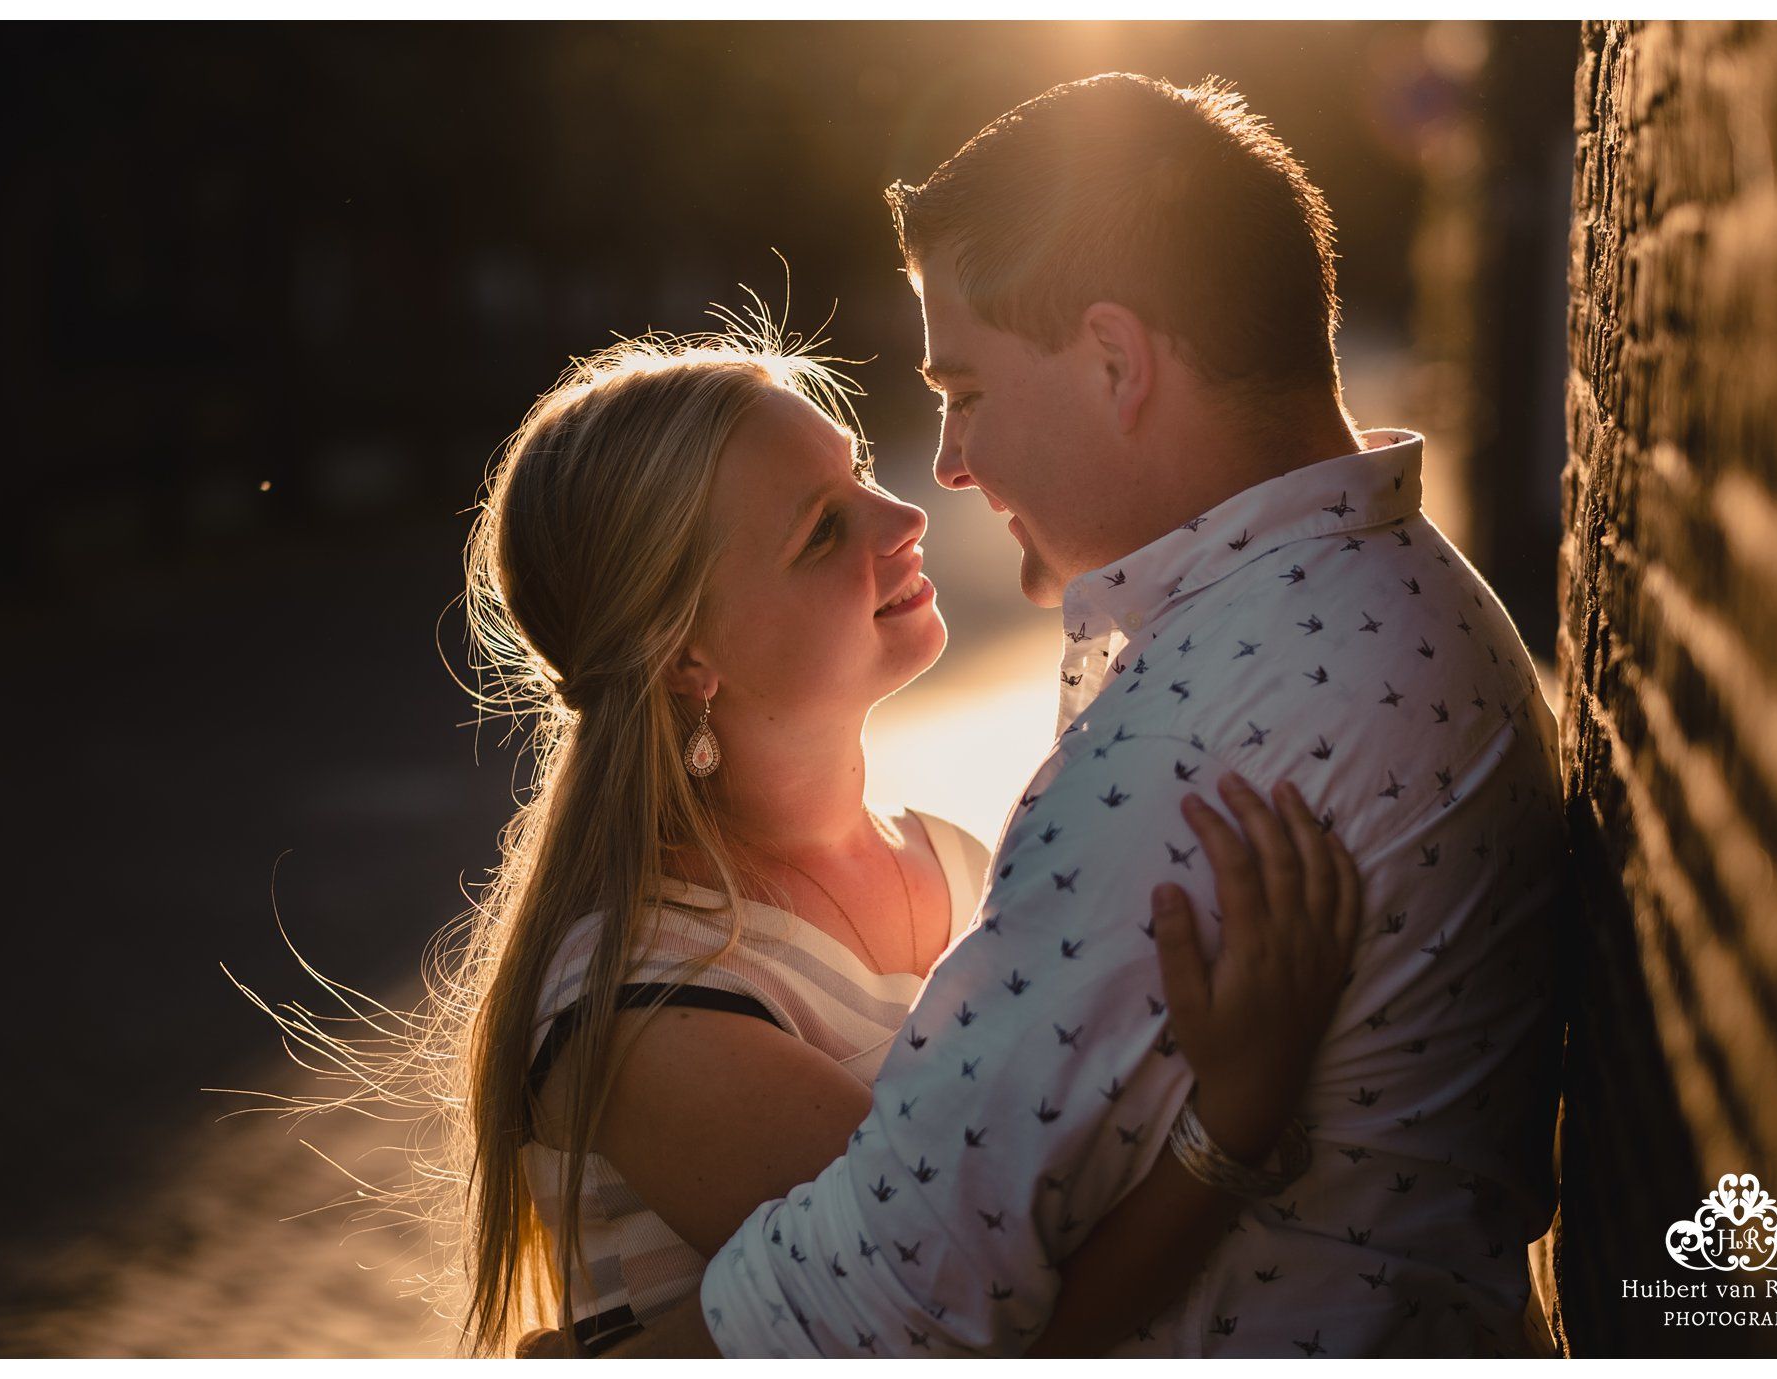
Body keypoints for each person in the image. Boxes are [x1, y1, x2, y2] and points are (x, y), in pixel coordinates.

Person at [611, 71, 1570, 1359]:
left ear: (1114, 361)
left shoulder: (1205, 740)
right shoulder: (1372, 593)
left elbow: (889, 1298)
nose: (945, 464)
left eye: (965, 389)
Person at [426, 325, 1362, 1360]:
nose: (906, 513)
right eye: (823, 529)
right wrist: (1229, 1120)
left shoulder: (959, 862)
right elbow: (972, 1320)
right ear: (687, 655)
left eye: (860, 468)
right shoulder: (642, 1001)